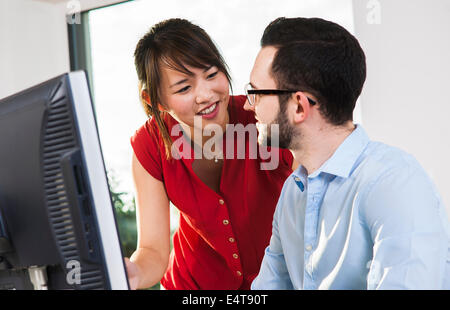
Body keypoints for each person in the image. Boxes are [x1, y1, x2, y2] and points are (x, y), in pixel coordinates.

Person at [245, 17, 450, 289]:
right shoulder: (292, 194)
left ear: (299, 107)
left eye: (257, 93)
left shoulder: (394, 182)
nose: (250, 106)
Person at [124, 18, 295, 290]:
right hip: (193, 287)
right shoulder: (149, 146)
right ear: (154, 100)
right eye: (184, 88)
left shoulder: (262, 117)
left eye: (212, 74)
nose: (206, 95)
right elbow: (153, 251)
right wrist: (131, 273)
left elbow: (318, 200)